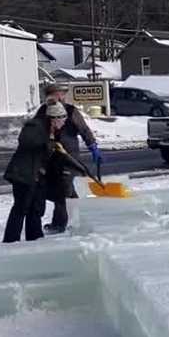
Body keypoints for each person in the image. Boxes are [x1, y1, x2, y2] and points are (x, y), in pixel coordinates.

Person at [36, 83, 99, 234]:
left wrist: (93, 146)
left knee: (64, 191)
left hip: (69, 155)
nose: (60, 97)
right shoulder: (43, 111)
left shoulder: (71, 111)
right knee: (65, 191)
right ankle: (81, 218)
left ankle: (60, 223)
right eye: (57, 94)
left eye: (62, 94)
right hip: (51, 157)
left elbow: (84, 129)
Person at [2, 104, 62, 243]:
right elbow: (26, 140)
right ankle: (11, 241)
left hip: (37, 177)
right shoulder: (35, 126)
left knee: (36, 209)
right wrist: (47, 142)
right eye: (62, 119)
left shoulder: (52, 132)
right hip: (24, 175)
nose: (64, 122)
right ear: (54, 118)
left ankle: (35, 239)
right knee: (20, 208)